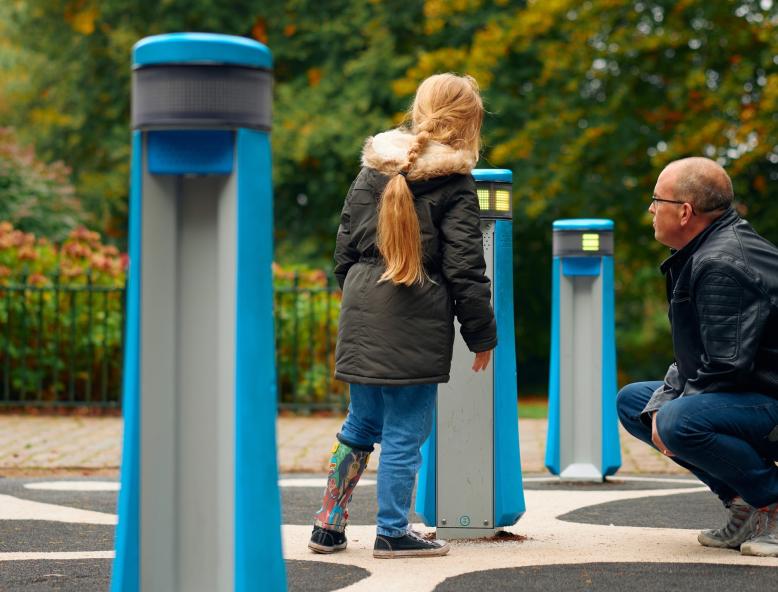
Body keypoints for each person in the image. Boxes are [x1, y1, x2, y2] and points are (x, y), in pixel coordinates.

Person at [308, 73, 497, 559]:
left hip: (363, 309)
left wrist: (359, 299)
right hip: (417, 314)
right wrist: (481, 335)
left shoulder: (374, 167)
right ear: (467, 123)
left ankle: (328, 525)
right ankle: (392, 531)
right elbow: (464, 269)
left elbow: (344, 250)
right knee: (404, 434)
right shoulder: (455, 181)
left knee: (359, 424)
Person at [617, 156, 778, 556]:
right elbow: (697, 357)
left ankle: (772, 503)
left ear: (685, 212)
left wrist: (669, 412)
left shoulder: (720, 263)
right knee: (635, 401)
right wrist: (661, 403)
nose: (651, 210)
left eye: (657, 200)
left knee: (676, 421)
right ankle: (742, 505)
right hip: (755, 392)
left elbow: (725, 366)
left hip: (767, 396)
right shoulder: (706, 251)